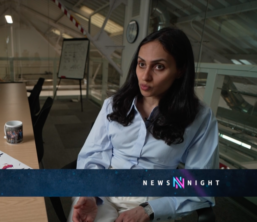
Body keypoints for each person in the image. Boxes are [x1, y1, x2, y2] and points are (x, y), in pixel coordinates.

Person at [68, 27, 219, 222]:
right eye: (141, 64)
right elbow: (93, 155)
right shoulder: (113, 105)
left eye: (159, 67)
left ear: (180, 70)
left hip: (154, 200)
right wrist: (89, 193)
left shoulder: (200, 118)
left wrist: (150, 210)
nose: (145, 76)